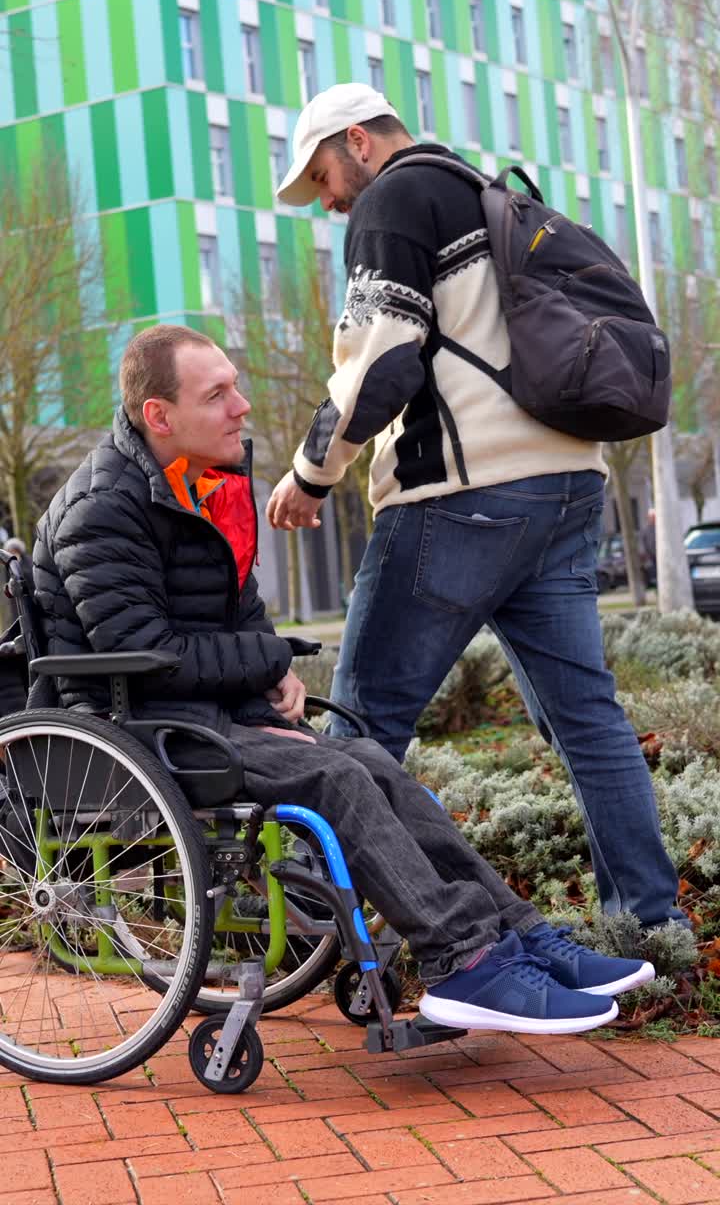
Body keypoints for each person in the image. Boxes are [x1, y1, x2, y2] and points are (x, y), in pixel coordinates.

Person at [32, 323, 655, 1035]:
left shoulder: (204, 482)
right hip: (133, 733)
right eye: (218, 394)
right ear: (159, 416)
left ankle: (518, 936)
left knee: (366, 758)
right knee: (337, 778)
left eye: (236, 386)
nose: (242, 406)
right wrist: (268, 664)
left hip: (201, 717)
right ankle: (462, 957)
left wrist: (265, 676)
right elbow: (144, 654)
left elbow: (238, 617)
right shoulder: (101, 510)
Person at [267, 82, 685, 933]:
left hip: (462, 497)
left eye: (322, 177)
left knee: (360, 726)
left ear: (358, 140)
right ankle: (650, 923)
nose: (327, 199)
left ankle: (341, 933)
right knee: (587, 723)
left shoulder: (391, 200)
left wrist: (311, 474)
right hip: (570, 486)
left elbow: (381, 364)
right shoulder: (491, 196)